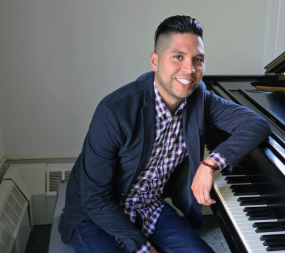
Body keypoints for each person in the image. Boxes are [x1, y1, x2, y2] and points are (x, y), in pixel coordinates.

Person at [60, 15, 271, 253]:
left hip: (150, 208)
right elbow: (95, 201)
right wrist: (145, 249)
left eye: (198, 59)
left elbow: (256, 124)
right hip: (98, 215)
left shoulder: (199, 97)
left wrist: (210, 163)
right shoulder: (114, 111)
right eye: (178, 57)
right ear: (154, 60)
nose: (190, 70)